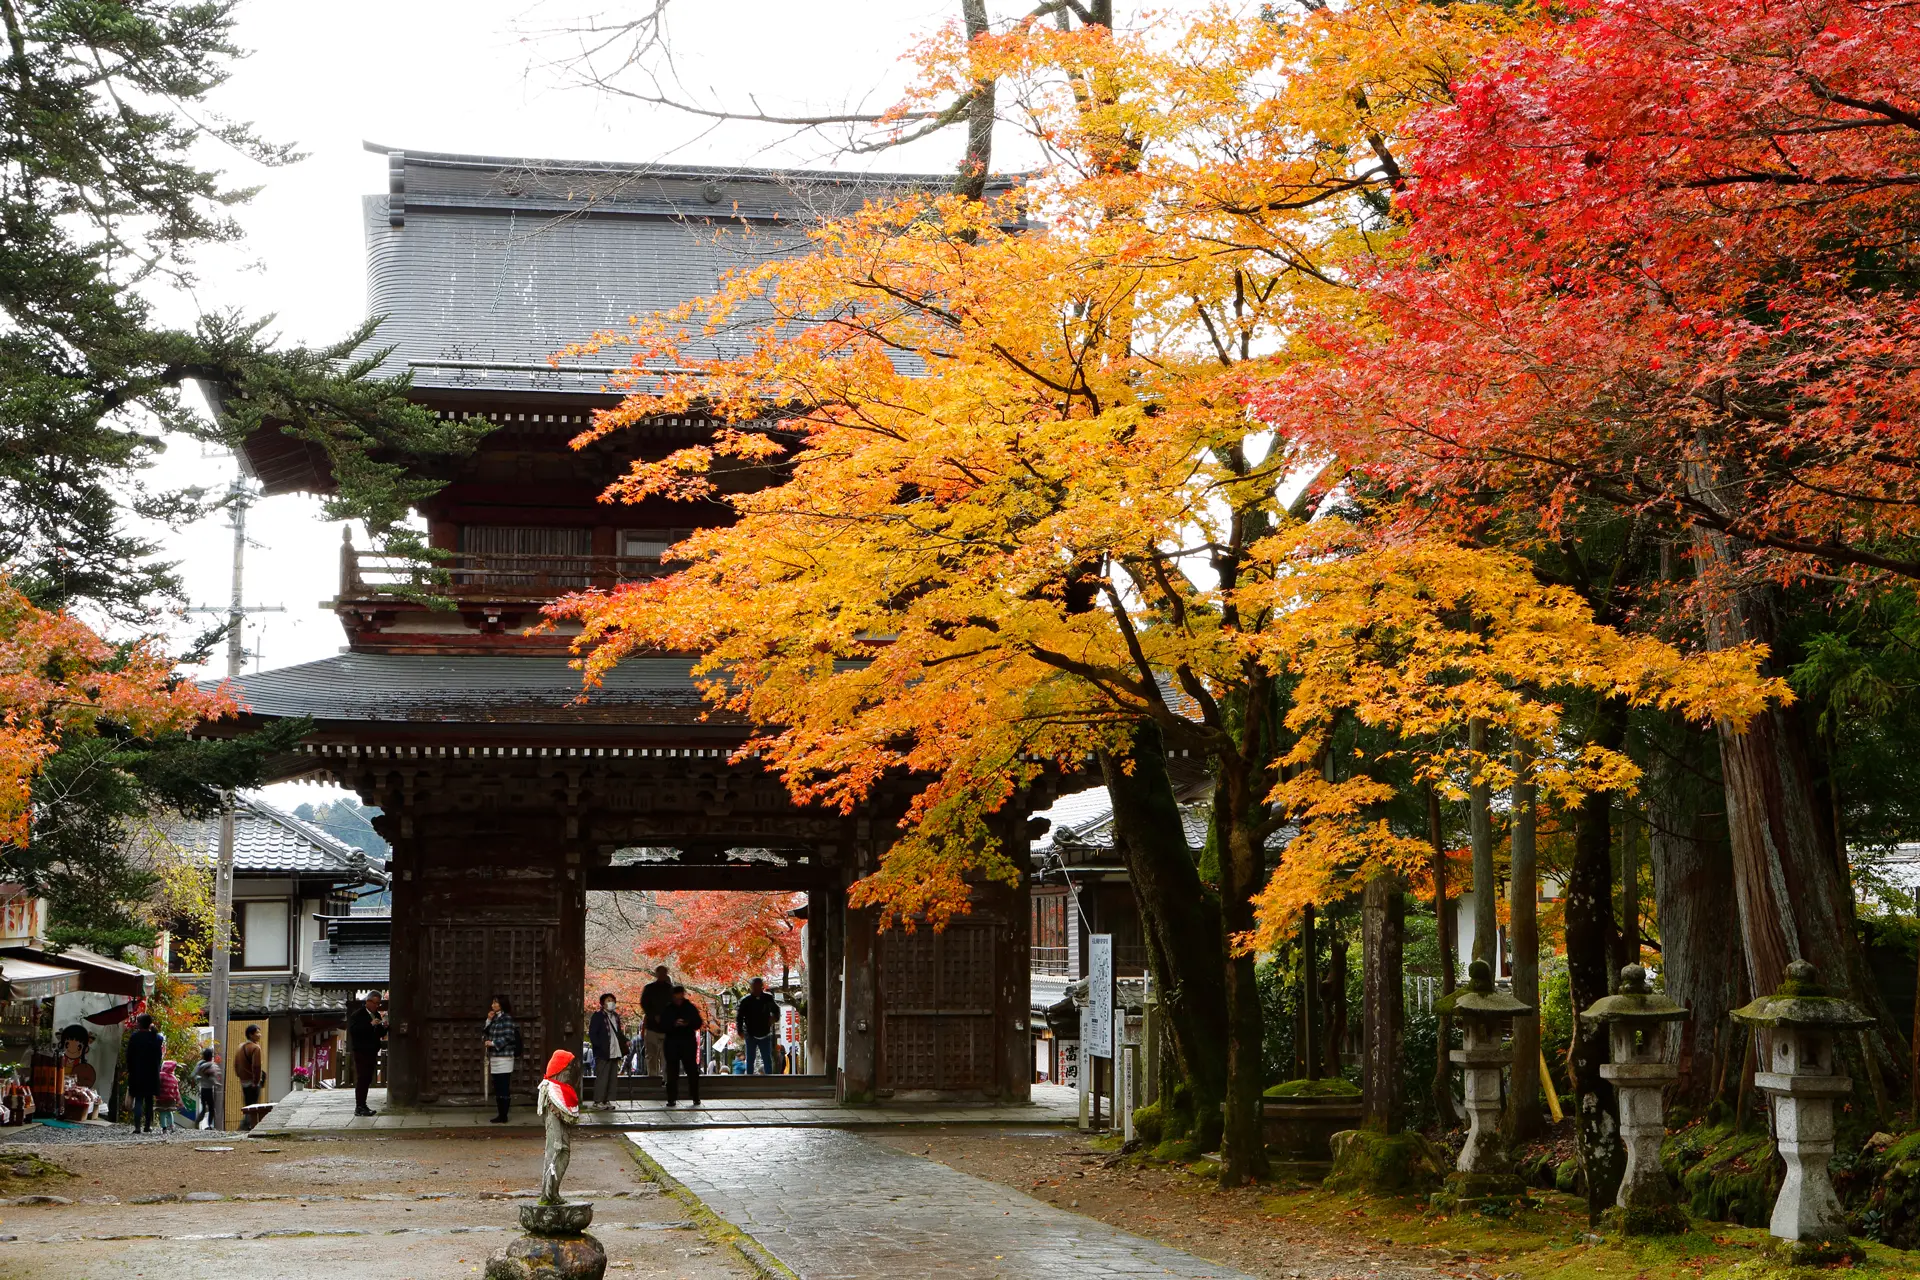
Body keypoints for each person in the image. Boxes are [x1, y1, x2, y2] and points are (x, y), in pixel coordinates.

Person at [660, 986, 704, 1108]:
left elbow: (698, 1023)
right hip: (672, 1042)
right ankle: (671, 1098)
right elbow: (662, 1025)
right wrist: (673, 1024)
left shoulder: (690, 1007)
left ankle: (695, 1096)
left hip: (687, 1042)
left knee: (691, 1070)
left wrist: (687, 1023)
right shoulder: (668, 1008)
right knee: (672, 1072)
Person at [346, 991, 387, 1117]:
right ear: (368, 1002)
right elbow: (355, 1031)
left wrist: (384, 1027)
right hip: (361, 1050)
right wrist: (370, 1025)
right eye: (374, 1003)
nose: (376, 1006)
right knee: (362, 1078)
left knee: (368, 1078)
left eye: (378, 1004)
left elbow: (379, 1034)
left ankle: (363, 1105)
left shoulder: (376, 1015)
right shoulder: (358, 1015)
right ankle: (359, 1106)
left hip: (372, 1050)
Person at [483, 995, 521, 1123]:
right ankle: (500, 1113)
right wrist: (488, 1020)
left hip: (505, 1057)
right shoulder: (494, 1019)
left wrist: (493, 1043)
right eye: (493, 1003)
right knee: (497, 1086)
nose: (493, 1005)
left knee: (504, 1085)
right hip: (494, 1057)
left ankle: (503, 1115)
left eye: (496, 1003)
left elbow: (509, 1036)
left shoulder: (507, 1018)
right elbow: (486, 1033)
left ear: (502, 1004)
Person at [586, 992, 628, 1112]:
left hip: (615, 1051)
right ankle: (598, 1101)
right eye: (608, 1000)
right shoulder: (598, 1016)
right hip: (603, 1052)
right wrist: (599, 1046)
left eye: (612, 1000)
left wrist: (625, 1041)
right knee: (602, 1077)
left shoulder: (616, 1016)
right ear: (603, 1003)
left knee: (612, 1078)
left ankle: (608, 1100)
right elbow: (593, 1033)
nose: (611, 1002)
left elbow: (618, 1032)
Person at [124, 1013, 165, 1134]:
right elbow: (159, 1056)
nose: (136, 1024)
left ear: (141, 1024)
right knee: (149, 1101)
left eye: (138, 1022)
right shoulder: (156, 1038)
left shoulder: (135, 1037)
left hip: (137, 1073)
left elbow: (129, 1056)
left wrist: (130, 1069)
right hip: (151, 1073)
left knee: (138, 1100)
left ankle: (137, 1127)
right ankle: (148, 1126)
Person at [735, 978, 780, 1076]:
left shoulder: (768, 998)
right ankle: (749, 1078)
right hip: (750, 1033)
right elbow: (739, 1017)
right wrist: (739, 1030)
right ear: (751, 987)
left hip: (765, 1032)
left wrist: (774, 1018)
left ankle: (770, 1078)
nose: (756, 989)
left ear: (762, 987)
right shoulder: (745, 1001)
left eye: (759, 986)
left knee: (767, 1058)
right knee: (750, 1058)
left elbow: (776, 1010)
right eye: (754, 987)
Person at [639, 965, 673, 1079]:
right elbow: (644, 1004)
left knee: (666, 1056)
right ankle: (653, 1077)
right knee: (651, 1055)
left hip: (666, 1028)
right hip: (652, 1027)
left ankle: (666, 1078)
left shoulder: (671, 990)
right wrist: (654, 1016)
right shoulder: (649, 988)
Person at [233, 1024, 265, 1131]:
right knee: (253, 1106)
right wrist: (256, 1082)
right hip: (252, 1081)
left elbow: (236, 1064)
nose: (260, 1035)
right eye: (257, 1033)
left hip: (243, 1080)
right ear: (251, 1035)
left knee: (247, 1104)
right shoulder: (255, 1048)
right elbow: (256, 1066)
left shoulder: (240, 1047)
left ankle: (246, 1126)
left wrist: (240, 1075)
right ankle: (245, 1127)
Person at [192, 1048, 218, 1129]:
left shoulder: (200, 1064)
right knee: (211, 1108)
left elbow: (193, 1075)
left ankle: (197, 1122)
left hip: (203, 1089)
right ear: (211, 1056)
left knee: (204, 1108)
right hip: (210, 1089)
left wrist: (200, 1078)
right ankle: (210, 1125)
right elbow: (213, 1079)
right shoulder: (211, 1065)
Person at [156, 1059, 183, 1133]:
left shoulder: (161, 1075)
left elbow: (155, 1083)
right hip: (170, 1099)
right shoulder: (174, 1078)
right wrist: (179, 1101)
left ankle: (164, 1128)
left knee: (162, 1112)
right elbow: (176, 1091)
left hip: (161, 1098)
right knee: (169, 1112)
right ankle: (171, 1125)